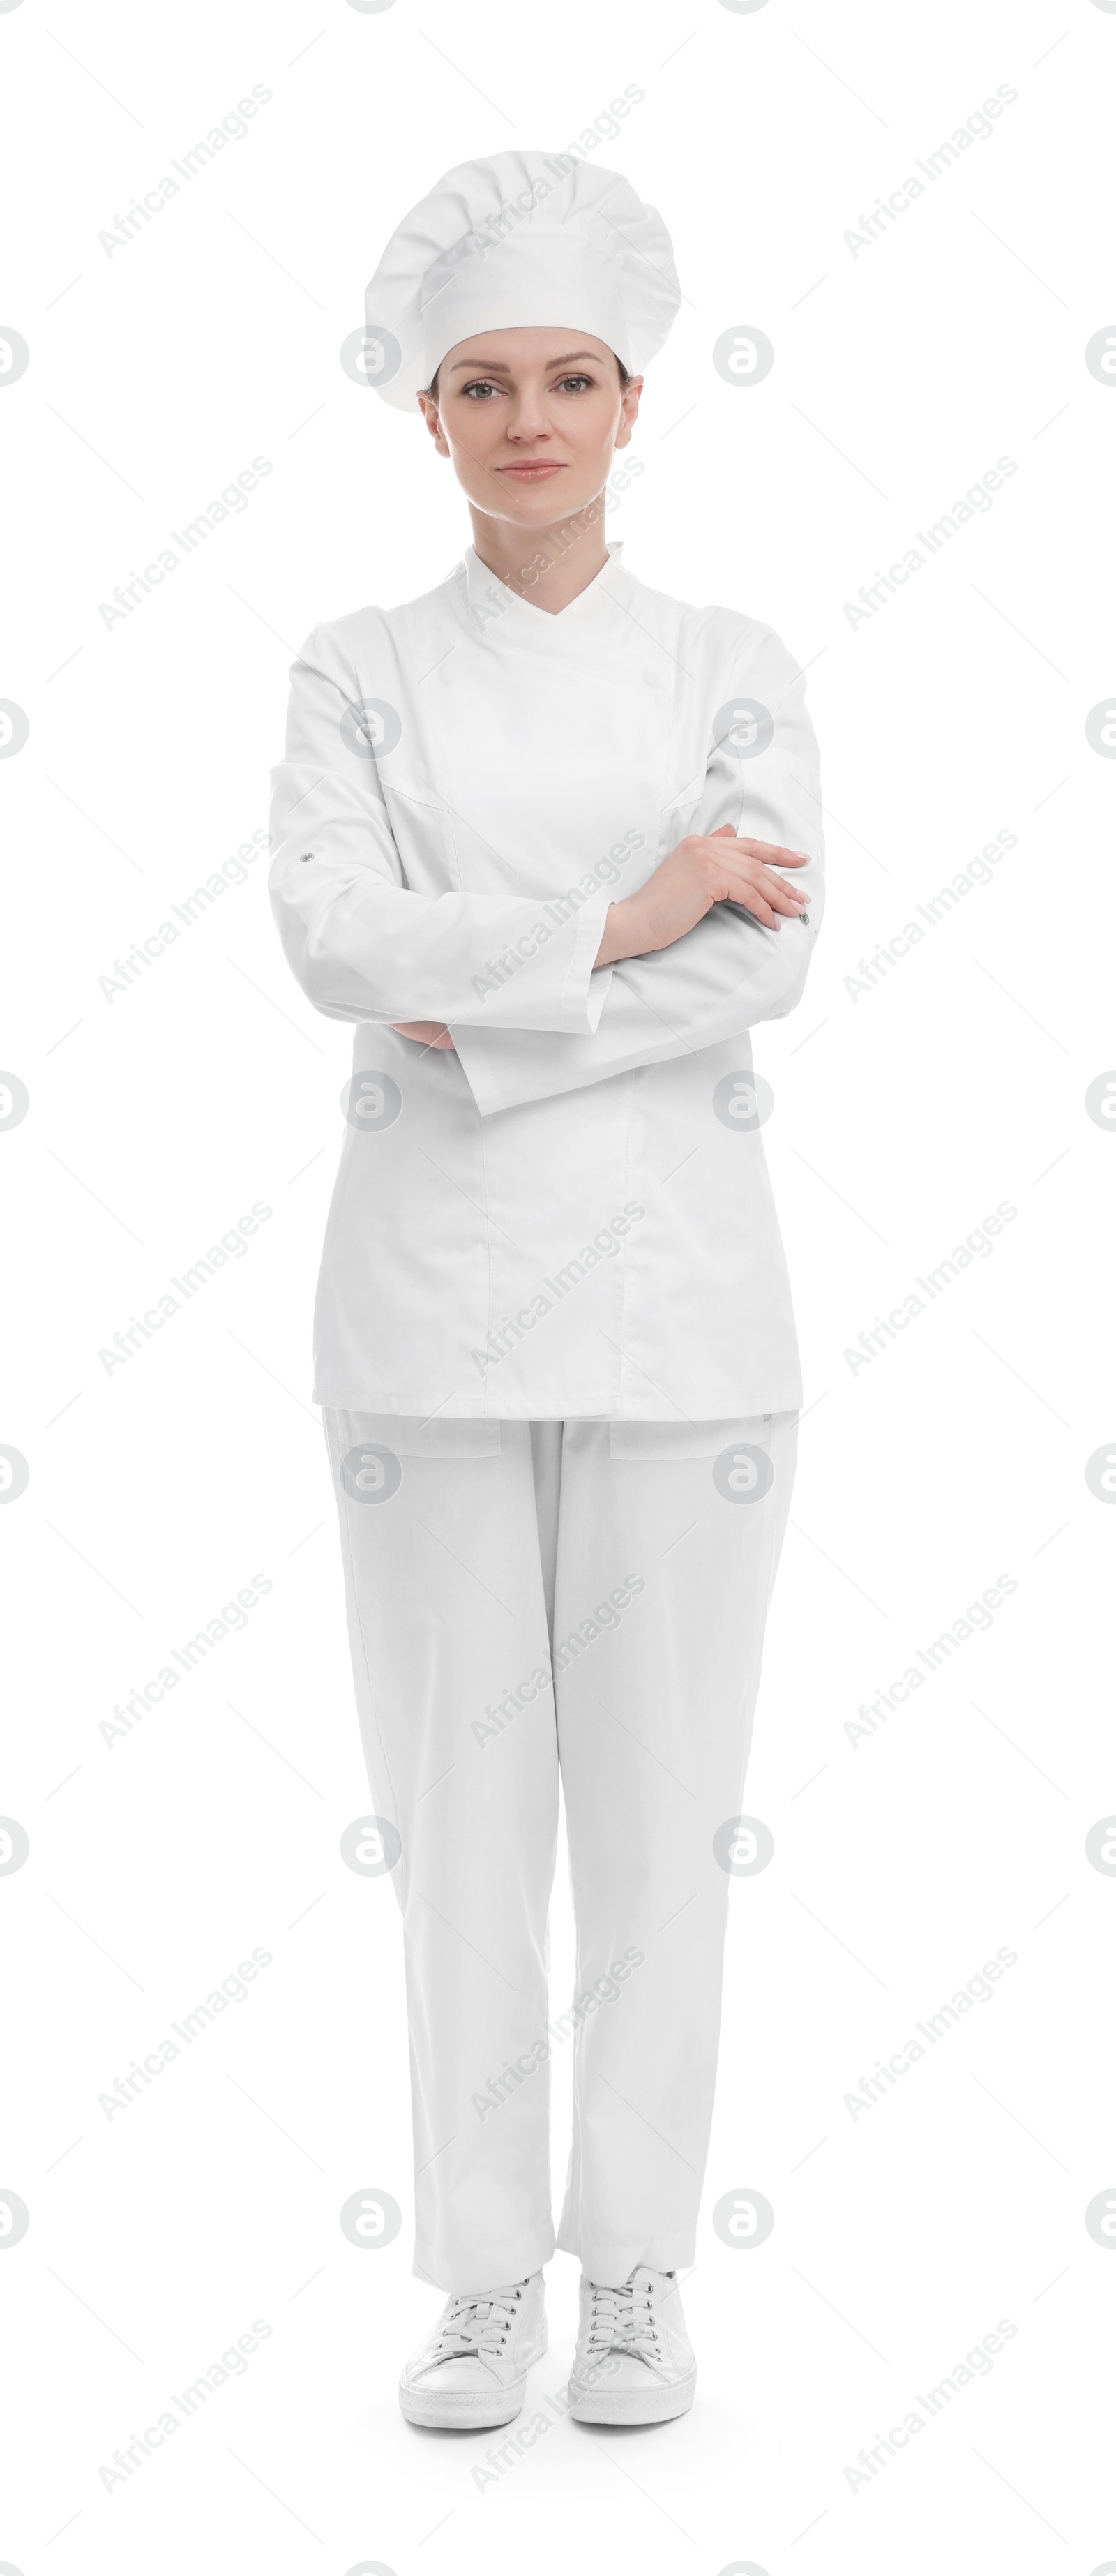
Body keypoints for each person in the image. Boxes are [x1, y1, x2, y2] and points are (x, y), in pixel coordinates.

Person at [269, 147, 824, 2433]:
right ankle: (485, 2272)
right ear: (428, 416)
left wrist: (486, 988)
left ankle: (637, 2270)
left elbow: (767, 956)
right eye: (482, 383)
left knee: (663, 1802)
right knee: (461, 1818)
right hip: (422, 1317)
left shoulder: (730, 665)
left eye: (568, 379)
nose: (527, 420)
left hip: (686, 1312)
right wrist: (622, 915)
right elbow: (331, 944)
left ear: (628, 404)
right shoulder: (360, 669)